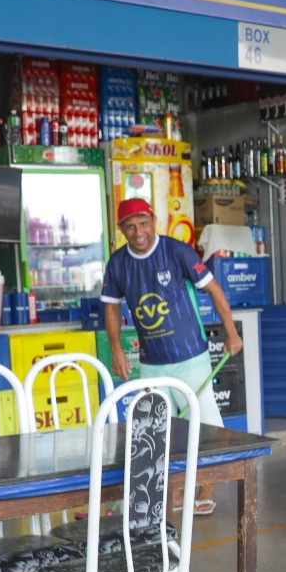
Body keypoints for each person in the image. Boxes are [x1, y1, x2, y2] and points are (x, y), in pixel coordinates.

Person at [102, 198, 243, 516]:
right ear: (121, 229)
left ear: (153, 221)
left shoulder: (177, 251)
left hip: (190, 355)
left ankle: (207, 487)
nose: (138, 231)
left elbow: (214, 289)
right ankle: (174, 491)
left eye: (143, 223)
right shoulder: (118, 263)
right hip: (152, 361)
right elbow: (110, 307)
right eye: (130, 226)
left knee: (203, 422)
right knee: (157, 428)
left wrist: (231, 332)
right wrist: (116, 350)